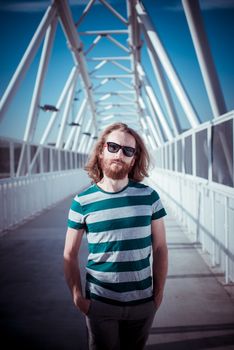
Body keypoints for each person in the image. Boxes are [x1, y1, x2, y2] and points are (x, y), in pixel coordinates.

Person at [63, 122, 168, 350]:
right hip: (100, 303)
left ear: (133, 159)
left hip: (143, 303)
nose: (119, 154)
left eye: (127, 150)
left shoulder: (150, 197)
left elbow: (160, 248)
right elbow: (69, 254)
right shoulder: (82, 202)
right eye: (113, 147)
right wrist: (78, 298)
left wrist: (157, 296)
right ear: (101, 152)